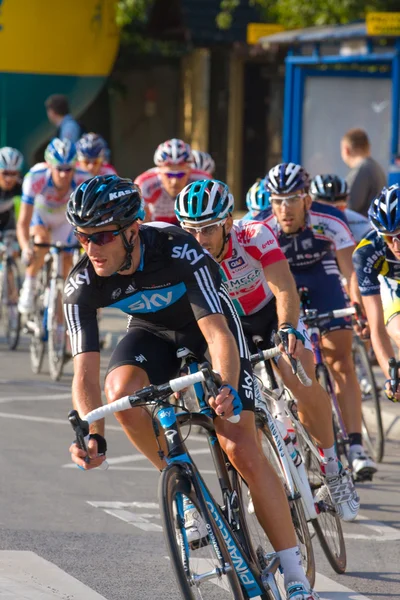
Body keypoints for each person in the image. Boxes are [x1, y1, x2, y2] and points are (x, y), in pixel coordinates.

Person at [64, 174, 320, 600]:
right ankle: (179, 483)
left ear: (132, 230)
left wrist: (227, 387)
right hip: (151, 331)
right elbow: (84, 374)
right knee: (120, 393)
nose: (91, 249)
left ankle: (294, 574)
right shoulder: (82, 283)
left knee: (240, 447)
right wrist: (92, 435)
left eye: (103, 236)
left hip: (207, 327)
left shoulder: (177, 249)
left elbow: (219, 336)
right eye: (82, 237)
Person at [175, 177, 360, 521]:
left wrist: (289, 327)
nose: (199, 240)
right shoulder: (183, 254)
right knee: (237, 404)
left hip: (271, 314)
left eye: (208, 229)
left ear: (228, 222)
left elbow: (284, 287)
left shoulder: (253, 235)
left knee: (298, 375)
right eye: (191, 230)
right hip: (231, 328)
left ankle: (334, 469)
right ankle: (263, 479)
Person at [255, 162, 377, 480]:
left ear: (307, 199)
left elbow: (350, 272)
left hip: (322, 275)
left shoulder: (330, 218)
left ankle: (355, 446)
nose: (284, 208)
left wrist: (357, 307)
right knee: (292, 364)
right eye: (277, 200)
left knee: (340, 358)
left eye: (292, 199)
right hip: (283, 281)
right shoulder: (261, 226)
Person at [17, 138, 89, 314]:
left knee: (67, 257)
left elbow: (88, 219)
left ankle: (59, 312)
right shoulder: (35, 177)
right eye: (59, 169)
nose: (64, 174)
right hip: (41, 214)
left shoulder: (83, 178)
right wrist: (26, 247)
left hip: (64, 217)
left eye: (68, 169)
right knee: (41, 240)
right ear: (49, 166)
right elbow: (23, 222)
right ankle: (30, 282)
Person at [353, 184, 400, 401]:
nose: (396, 245)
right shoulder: (367, 252)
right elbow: (377, 327)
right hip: (392, 285)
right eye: (389, 237)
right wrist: (392, 377)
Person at [134, 138, 209, 224]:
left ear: (189, 171)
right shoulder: (145, 183)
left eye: (181, 175)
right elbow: (142, 224)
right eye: (169, 175)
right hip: (155, 224)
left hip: (186, 224)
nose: (174, 181)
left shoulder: (202, 179)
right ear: (159, 171)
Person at [310, 174, 371, 244]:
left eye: (338, 208)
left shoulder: (361, 223)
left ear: (347, 200)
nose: (332, 214)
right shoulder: (301, 222)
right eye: (325, 209)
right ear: (309, 202)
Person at [340, 128, 386, 217]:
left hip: (363, 228)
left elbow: (350, 206)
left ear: (346, 150)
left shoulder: (362, 170)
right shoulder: (376, 167)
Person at [0, 147, 24, 232]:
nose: (9, 179)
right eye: (5, 173)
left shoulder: (23, 185)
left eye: (13, 174)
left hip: (14, 233)